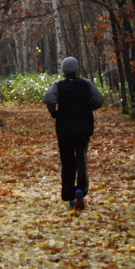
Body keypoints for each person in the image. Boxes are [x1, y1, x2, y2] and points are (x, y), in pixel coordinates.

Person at [43, 57, 103, 210]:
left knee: (67, 160)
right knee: (81, 157)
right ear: (77, 69)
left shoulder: (58, 85)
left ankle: (70, 195)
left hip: (64, 128)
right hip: (83, 127)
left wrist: (54, 111)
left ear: (63, 70)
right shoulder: (86, 84)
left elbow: (49, 98)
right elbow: (99, 100)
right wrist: (88, 108)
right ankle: (80, 189)